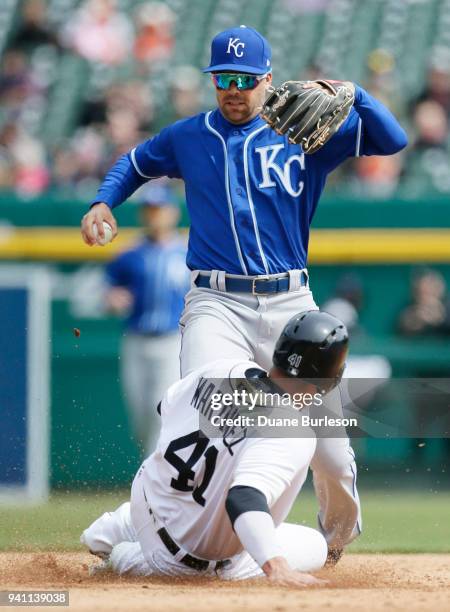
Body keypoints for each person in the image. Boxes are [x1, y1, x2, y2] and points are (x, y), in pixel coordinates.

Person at [81, 25, 408, 562]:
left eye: (246, 79)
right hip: (217, 303)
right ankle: (157, 531)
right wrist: (102, 202)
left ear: (268, 80)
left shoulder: (304, 133)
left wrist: (357, 93)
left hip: (291, 308)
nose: (234, 89)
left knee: (329, 448)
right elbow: (134, 163)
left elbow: (392, 141)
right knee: (209, 423)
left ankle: (337, 542)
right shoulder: (190, 135)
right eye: (224, 79)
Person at [81, 311, 348, 585]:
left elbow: (166, 407)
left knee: (203, 482)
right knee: (316, 546)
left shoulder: (226, 369)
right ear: (325, 382)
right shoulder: (293, 431)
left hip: (149, 499)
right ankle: (124, 557)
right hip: (180, 562)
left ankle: (117, 526)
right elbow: (243, 499)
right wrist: (276, 566)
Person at [104, 180, 190, 452]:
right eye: (149, 210)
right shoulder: (128, 254)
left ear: (173, 212)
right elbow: (107, 291)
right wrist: (112, 298)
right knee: (140, 415)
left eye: (159, 209)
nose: (154, 215)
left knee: (160, 408)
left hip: (172, 341)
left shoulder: (189, 251)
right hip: (136, 339)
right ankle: (153, 469)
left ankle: (155, 485)